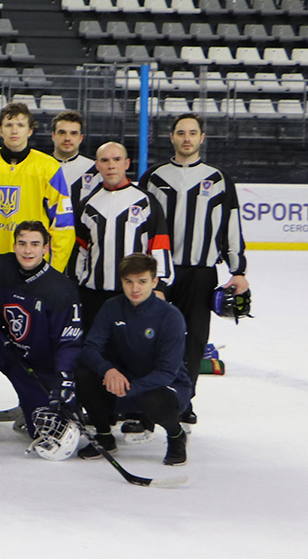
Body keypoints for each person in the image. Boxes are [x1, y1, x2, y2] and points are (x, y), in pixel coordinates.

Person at [139, 112, 248, 397]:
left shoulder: (219, 179)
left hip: (200, 272)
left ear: (201, 137)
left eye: (192, 133)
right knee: (150, 335)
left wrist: (238, 271)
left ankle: (184, 402)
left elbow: (231, 226)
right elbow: (137, 226)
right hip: (159, 273)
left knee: (195, 339)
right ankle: (146, 405)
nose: (186, 138)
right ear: (172, 137)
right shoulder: (153, 177)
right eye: (180, 132)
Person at [0, 221, 85, 459]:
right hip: (7, 351)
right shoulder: (0, 268)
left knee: (42, 427)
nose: (28, 251)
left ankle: (55, 406)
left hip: (37, 366)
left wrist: (64, 380)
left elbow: (68, 342)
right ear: (14, 245)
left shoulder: (60, 289)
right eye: (22, 244)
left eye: (35, 244)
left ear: (46, 248)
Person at [79, 254, 191, 466]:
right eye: (128, 282)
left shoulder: (170, 317)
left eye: (142, 282)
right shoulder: (112, 307)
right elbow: (89, 348)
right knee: (83, 374)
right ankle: (104, 435)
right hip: (125, 380)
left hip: (166, 386)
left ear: (154, 282)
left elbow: (167, 372)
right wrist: (108, 370)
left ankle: (176, 436)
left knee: (154, 399)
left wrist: (130, 389)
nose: (135, 289)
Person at [0, 102, 74, 281]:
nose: (14, 130)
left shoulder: (47, 167)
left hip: (31, 266)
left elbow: (63, 224)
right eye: (9, 125)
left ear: (30, 131)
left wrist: (54, 268)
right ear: (0, 130)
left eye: (20, 125)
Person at [72, 141, 172, 329]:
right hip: (94, 295)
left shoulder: (146, 202)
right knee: (95, 350)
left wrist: (159, 287)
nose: (111, 165)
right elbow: (80, 250)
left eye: (116, 159)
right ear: (97, 165)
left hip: (134, 294)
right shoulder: (87, 205)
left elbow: (159, 247)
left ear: (126, 164)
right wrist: (75, 284)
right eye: (105, 160)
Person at [51, 110, 94, 201]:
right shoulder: (40, 166)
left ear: (80, 138)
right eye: (62, 133)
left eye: (73, 133)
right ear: (53, 136)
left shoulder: (93, 168)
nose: (67, 138)